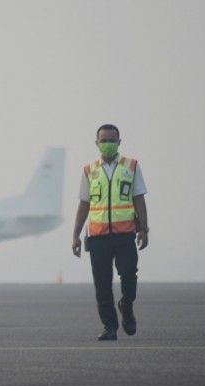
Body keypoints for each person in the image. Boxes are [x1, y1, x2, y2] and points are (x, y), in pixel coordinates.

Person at [72, 124, 149, 341]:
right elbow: (84, 204)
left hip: (125, 234)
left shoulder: (131, 166)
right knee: (102, 284)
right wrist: (75, 235)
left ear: (119, 142)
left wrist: (144, 228)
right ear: (96, 143)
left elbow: (139, 198)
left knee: (129, 276)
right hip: (97, 236)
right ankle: (110, 326)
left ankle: (126, 304)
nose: (108, 144)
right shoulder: (89, 170)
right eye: (103, 140)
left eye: (111, 140)